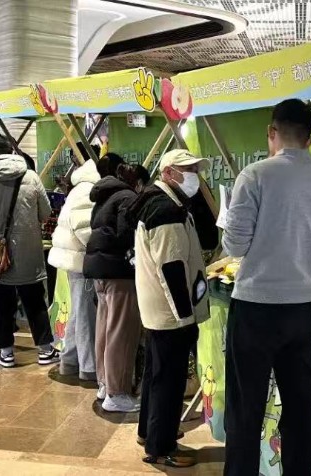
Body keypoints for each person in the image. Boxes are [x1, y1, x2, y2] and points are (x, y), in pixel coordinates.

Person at [222, 99, 311, 475]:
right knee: (301, 406)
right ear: (310, 139)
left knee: (246, 408)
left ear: (271, 132)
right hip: (302, 309)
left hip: (254, 307)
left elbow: (234, 245)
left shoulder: (255, 176)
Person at [127, 149, 211, 468]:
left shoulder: (160, 203)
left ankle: (149, 432)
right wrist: (185, 317)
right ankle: (161, 448)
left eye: (195, 169)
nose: (193, 176)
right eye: (187, 169)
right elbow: (171, 268)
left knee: (156, 374)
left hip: (158, 310)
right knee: (169, 381)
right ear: (168, 173)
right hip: (170, 314)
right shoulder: (165, 211)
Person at [0, 135, 58, 368]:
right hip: (27, 250)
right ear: (12, 150)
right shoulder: (31, 176)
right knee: (34, 301)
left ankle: (5, 353)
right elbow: (46, 212)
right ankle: (46, 350)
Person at [83, 162, 149, 413]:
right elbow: (126, 234)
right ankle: (117, 392)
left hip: (99, 269)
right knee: (122, 332)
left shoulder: (104, 196)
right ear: (138, 182)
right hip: (119, 271)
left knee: (105, 328)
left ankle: (104, 384)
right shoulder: (127, 197)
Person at [48, 157, 101, 381]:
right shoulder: (87, 190)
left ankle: (69, 360)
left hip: (74, 258)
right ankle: (88, 367)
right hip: (81, 260)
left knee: (79, 313)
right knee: (85, 314)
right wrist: (100, 247)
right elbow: (84, 228)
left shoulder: (80, 188)